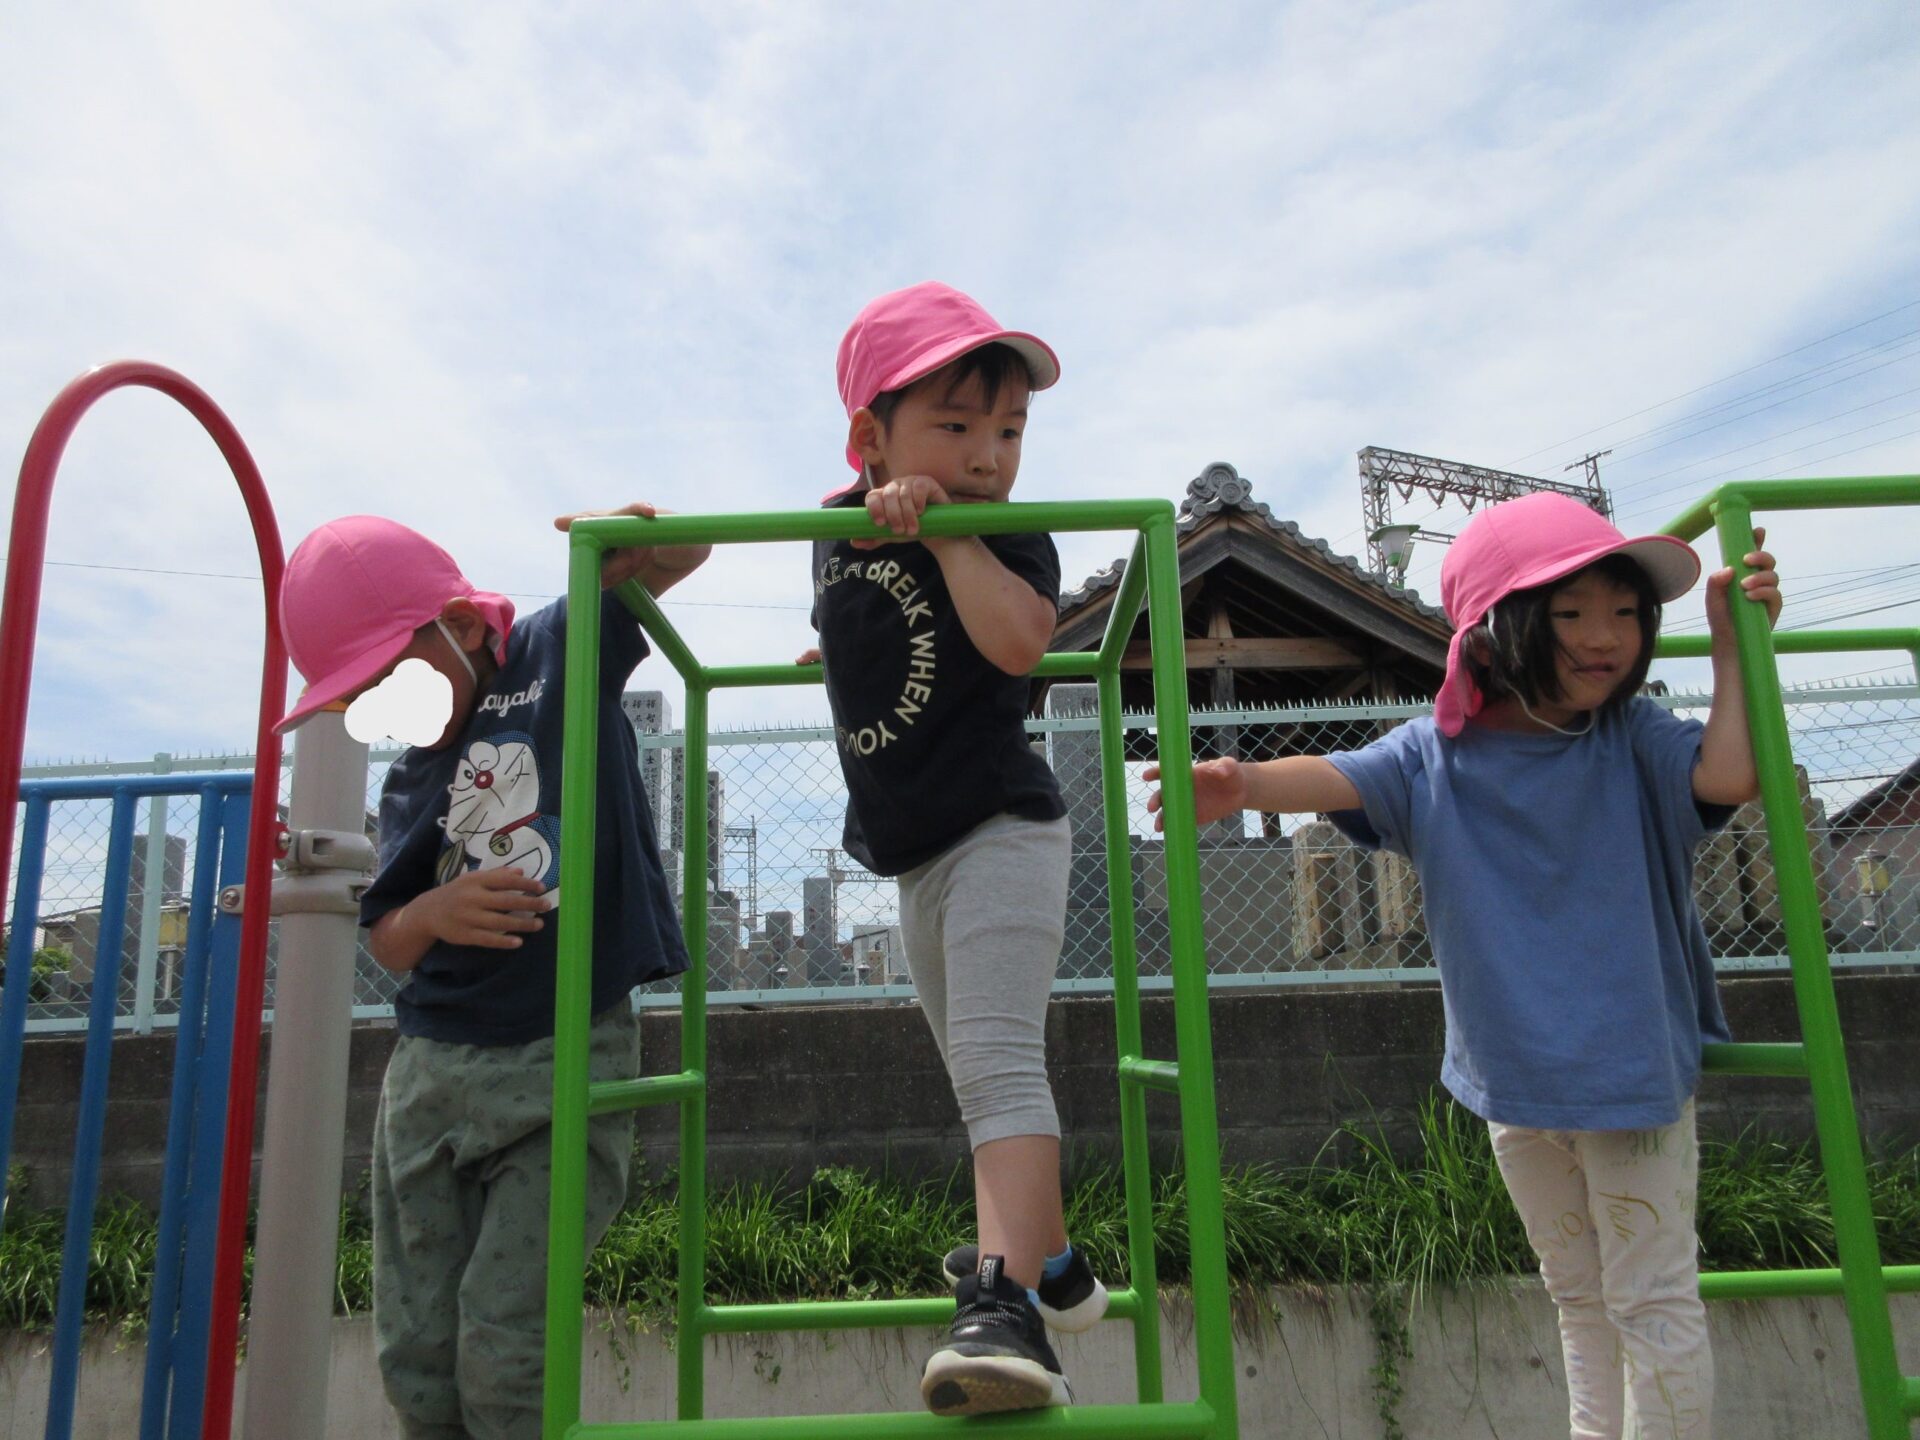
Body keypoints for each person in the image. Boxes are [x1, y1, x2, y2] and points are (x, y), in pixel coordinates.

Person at [1146, 492, 1782, 1440]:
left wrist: (1735, 647)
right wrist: (1241, 782)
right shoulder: (1433, 757)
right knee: (1576, 1296)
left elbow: (1729, 775)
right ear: (1492, 633)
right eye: (1570, 613)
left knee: (1650, 1298)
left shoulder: (1632, 736)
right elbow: (1338, 772)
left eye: (1625, 611)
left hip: (1631, 1080)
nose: (1605, 636)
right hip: (1515, 1088)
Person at [274, 506, 707, 1440]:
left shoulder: (557, 652)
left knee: (508, 1346)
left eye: (389, 681)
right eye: (360, 701)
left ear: (464, 627)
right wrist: (432, 913)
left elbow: (687, 551)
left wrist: (634, 535)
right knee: (417, 1354)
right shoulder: (410, 780)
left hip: (562, 1051)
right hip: (431, 1071)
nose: (381, 713)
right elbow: (389, 937)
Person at [800, 281, 1107, 1416]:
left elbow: (1021, 644)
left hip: (1001, 828)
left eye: (1010, 431)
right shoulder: (832, 533)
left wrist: (953, 534)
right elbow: (859, 623)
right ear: (870, 438)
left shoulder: (1005, 531)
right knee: (971, 1071)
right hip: (913, 848)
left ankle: (1007, 1308)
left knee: (994, 1063)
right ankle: (1052, 1260)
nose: (988, 454)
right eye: (958, 424)